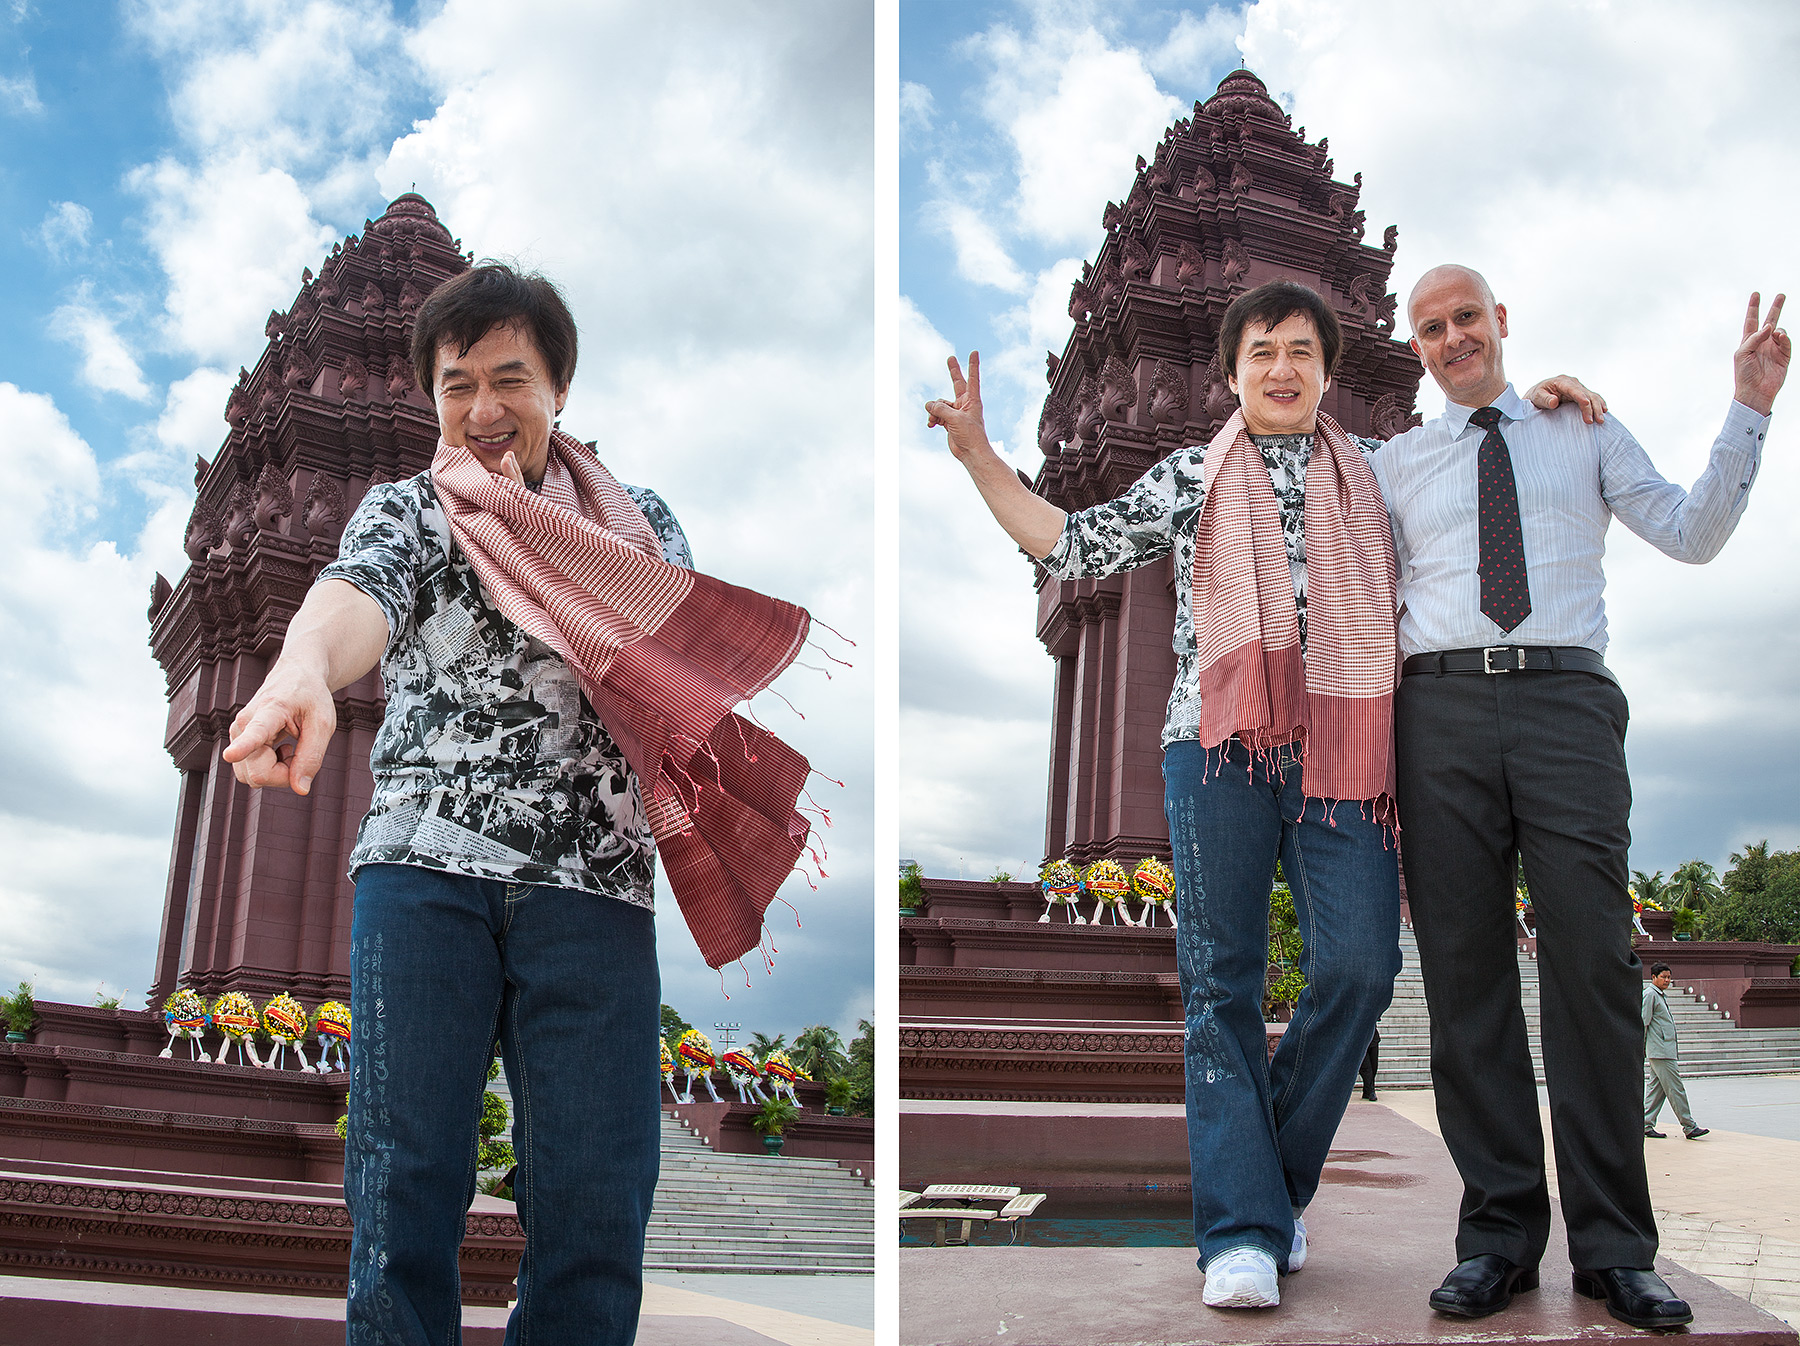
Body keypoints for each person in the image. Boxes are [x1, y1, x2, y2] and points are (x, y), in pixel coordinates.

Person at [928, 280, 1581, 1310]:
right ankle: (1239, 1229)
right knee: (1220, 988)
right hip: (1216, 748)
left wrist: (1539, 405)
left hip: (1345, 751)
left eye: (1302, 352)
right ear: (1233, 374)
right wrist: (975, 454)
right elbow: (1071, 542)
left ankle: (1266, 1188)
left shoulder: (1376, 478)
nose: (1283, 368)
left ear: (1329, 370)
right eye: (1263, 352)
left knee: (1363, 966)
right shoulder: (1192, 474)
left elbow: (1475, 491)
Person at [223, 263, 813, 1344]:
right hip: (423, 875)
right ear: (431, 397)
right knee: (404, 1189)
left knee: (597, 1199)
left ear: (559, 389)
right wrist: (302, 666)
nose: (484, 410)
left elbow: (672, 666)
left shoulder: (639, 528)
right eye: (457, 385)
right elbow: (356, 592)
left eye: (511, 379)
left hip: (592, 888)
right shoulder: (413, 509)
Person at [1374, 264, 1787, 1330]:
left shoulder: (1585, 428)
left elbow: (1693, 532)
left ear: (1500, 321)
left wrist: (1748, 406)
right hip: (1439, 711)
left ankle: (1614, 1247)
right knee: (1465, 977)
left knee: (1596, 967)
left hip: (1566, 700)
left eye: (1467, 316)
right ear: (1414, 346)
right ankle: (1499, 1236)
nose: (1453, 336)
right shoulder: (1393, 464)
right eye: (1431, 327)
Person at [1644, 963, 1709, 1141]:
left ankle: (1645, 1124)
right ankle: (1689, 1126)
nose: (1667, 980)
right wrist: (1640, 1049)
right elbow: (1643, 1022)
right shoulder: (1650, 995)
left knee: (1656, 1091)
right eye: (1663, 977)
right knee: (1676, 1089)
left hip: (1663, 1051)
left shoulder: (1659, 995)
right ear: (1654, 977)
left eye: (1669, 977)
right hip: (1661, 1052)